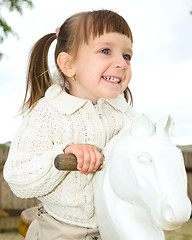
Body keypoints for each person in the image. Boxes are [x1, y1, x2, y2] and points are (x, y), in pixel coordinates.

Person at [3, 9, 135, 240]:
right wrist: (62, 153)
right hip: (63, 228)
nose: (121, 63)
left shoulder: (125, 115)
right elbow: (18, 177)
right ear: (68, 64)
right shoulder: (48, 114)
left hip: (117, 224)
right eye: (106, 51)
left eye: (126, 56)